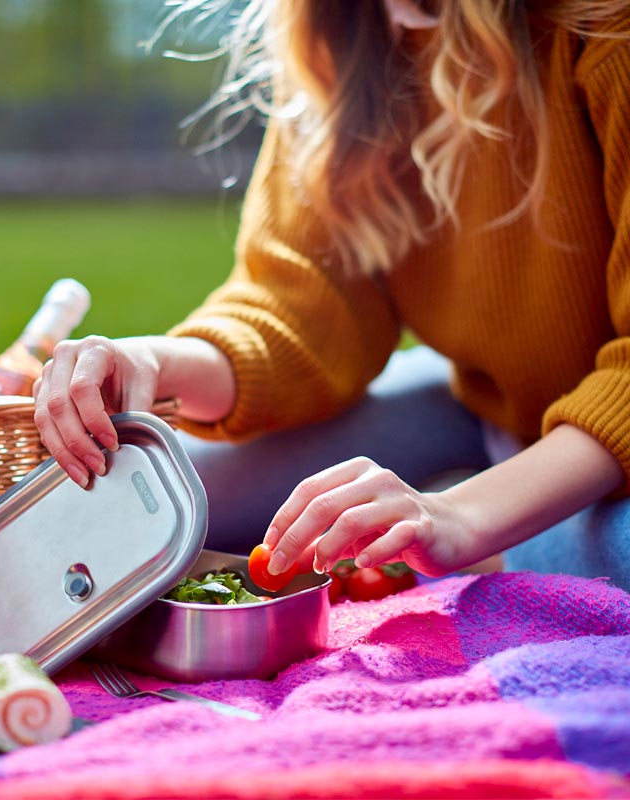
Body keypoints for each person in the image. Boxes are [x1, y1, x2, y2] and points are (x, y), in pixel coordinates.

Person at [33, 0, 630, 590]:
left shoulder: (605, 29)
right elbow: (301, 310)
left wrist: (464, 516)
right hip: (491, 408)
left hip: (601, 442)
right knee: (155, 501)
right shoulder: (337, 37)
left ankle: (503, 539)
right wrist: (158, 361)